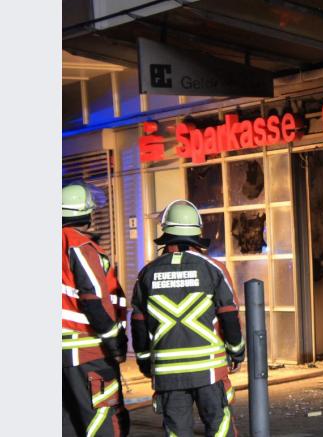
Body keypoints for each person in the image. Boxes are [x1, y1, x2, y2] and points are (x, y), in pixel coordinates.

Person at [131, 199, 245, 437]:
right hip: (209, 369)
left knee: (176, 431)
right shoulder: (213, 269)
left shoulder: (147, 273)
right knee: (219, 427)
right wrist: (236, 352)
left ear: (166, 235)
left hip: (168, 373)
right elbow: (229, 315)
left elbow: (139, 324)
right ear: (196, 234)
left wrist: (144, 362)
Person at [62, 183, 130, 437]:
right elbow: (94, 299)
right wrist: (115, 344)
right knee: (103, 418)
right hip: (87, 350)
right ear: (88, 214)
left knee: (66, 423)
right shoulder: (79, 245)